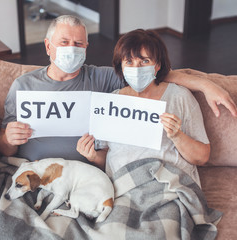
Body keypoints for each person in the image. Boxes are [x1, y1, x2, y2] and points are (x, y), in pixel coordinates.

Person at [0, 15, 237, 162]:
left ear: (87, 47)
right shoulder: (23, 86)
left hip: (85, 170)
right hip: (32, 167)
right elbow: (3, 147)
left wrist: (206, 85)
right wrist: (8, 139)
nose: (72, 48)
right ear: (48, 47)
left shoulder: (102, 78)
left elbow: (151, 73)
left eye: (78, 43)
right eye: (64, 42)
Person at [77, 29, 211, 186]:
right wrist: (92, 156)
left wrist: (177, 136)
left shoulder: (179, 96)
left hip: (169, 185)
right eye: (129, 62)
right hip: (124, 187)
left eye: (145, 61)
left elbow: (202, 157)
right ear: (121, 66)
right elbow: (107, 158)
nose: (137, 68)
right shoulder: (110, 102)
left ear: (157, 65)